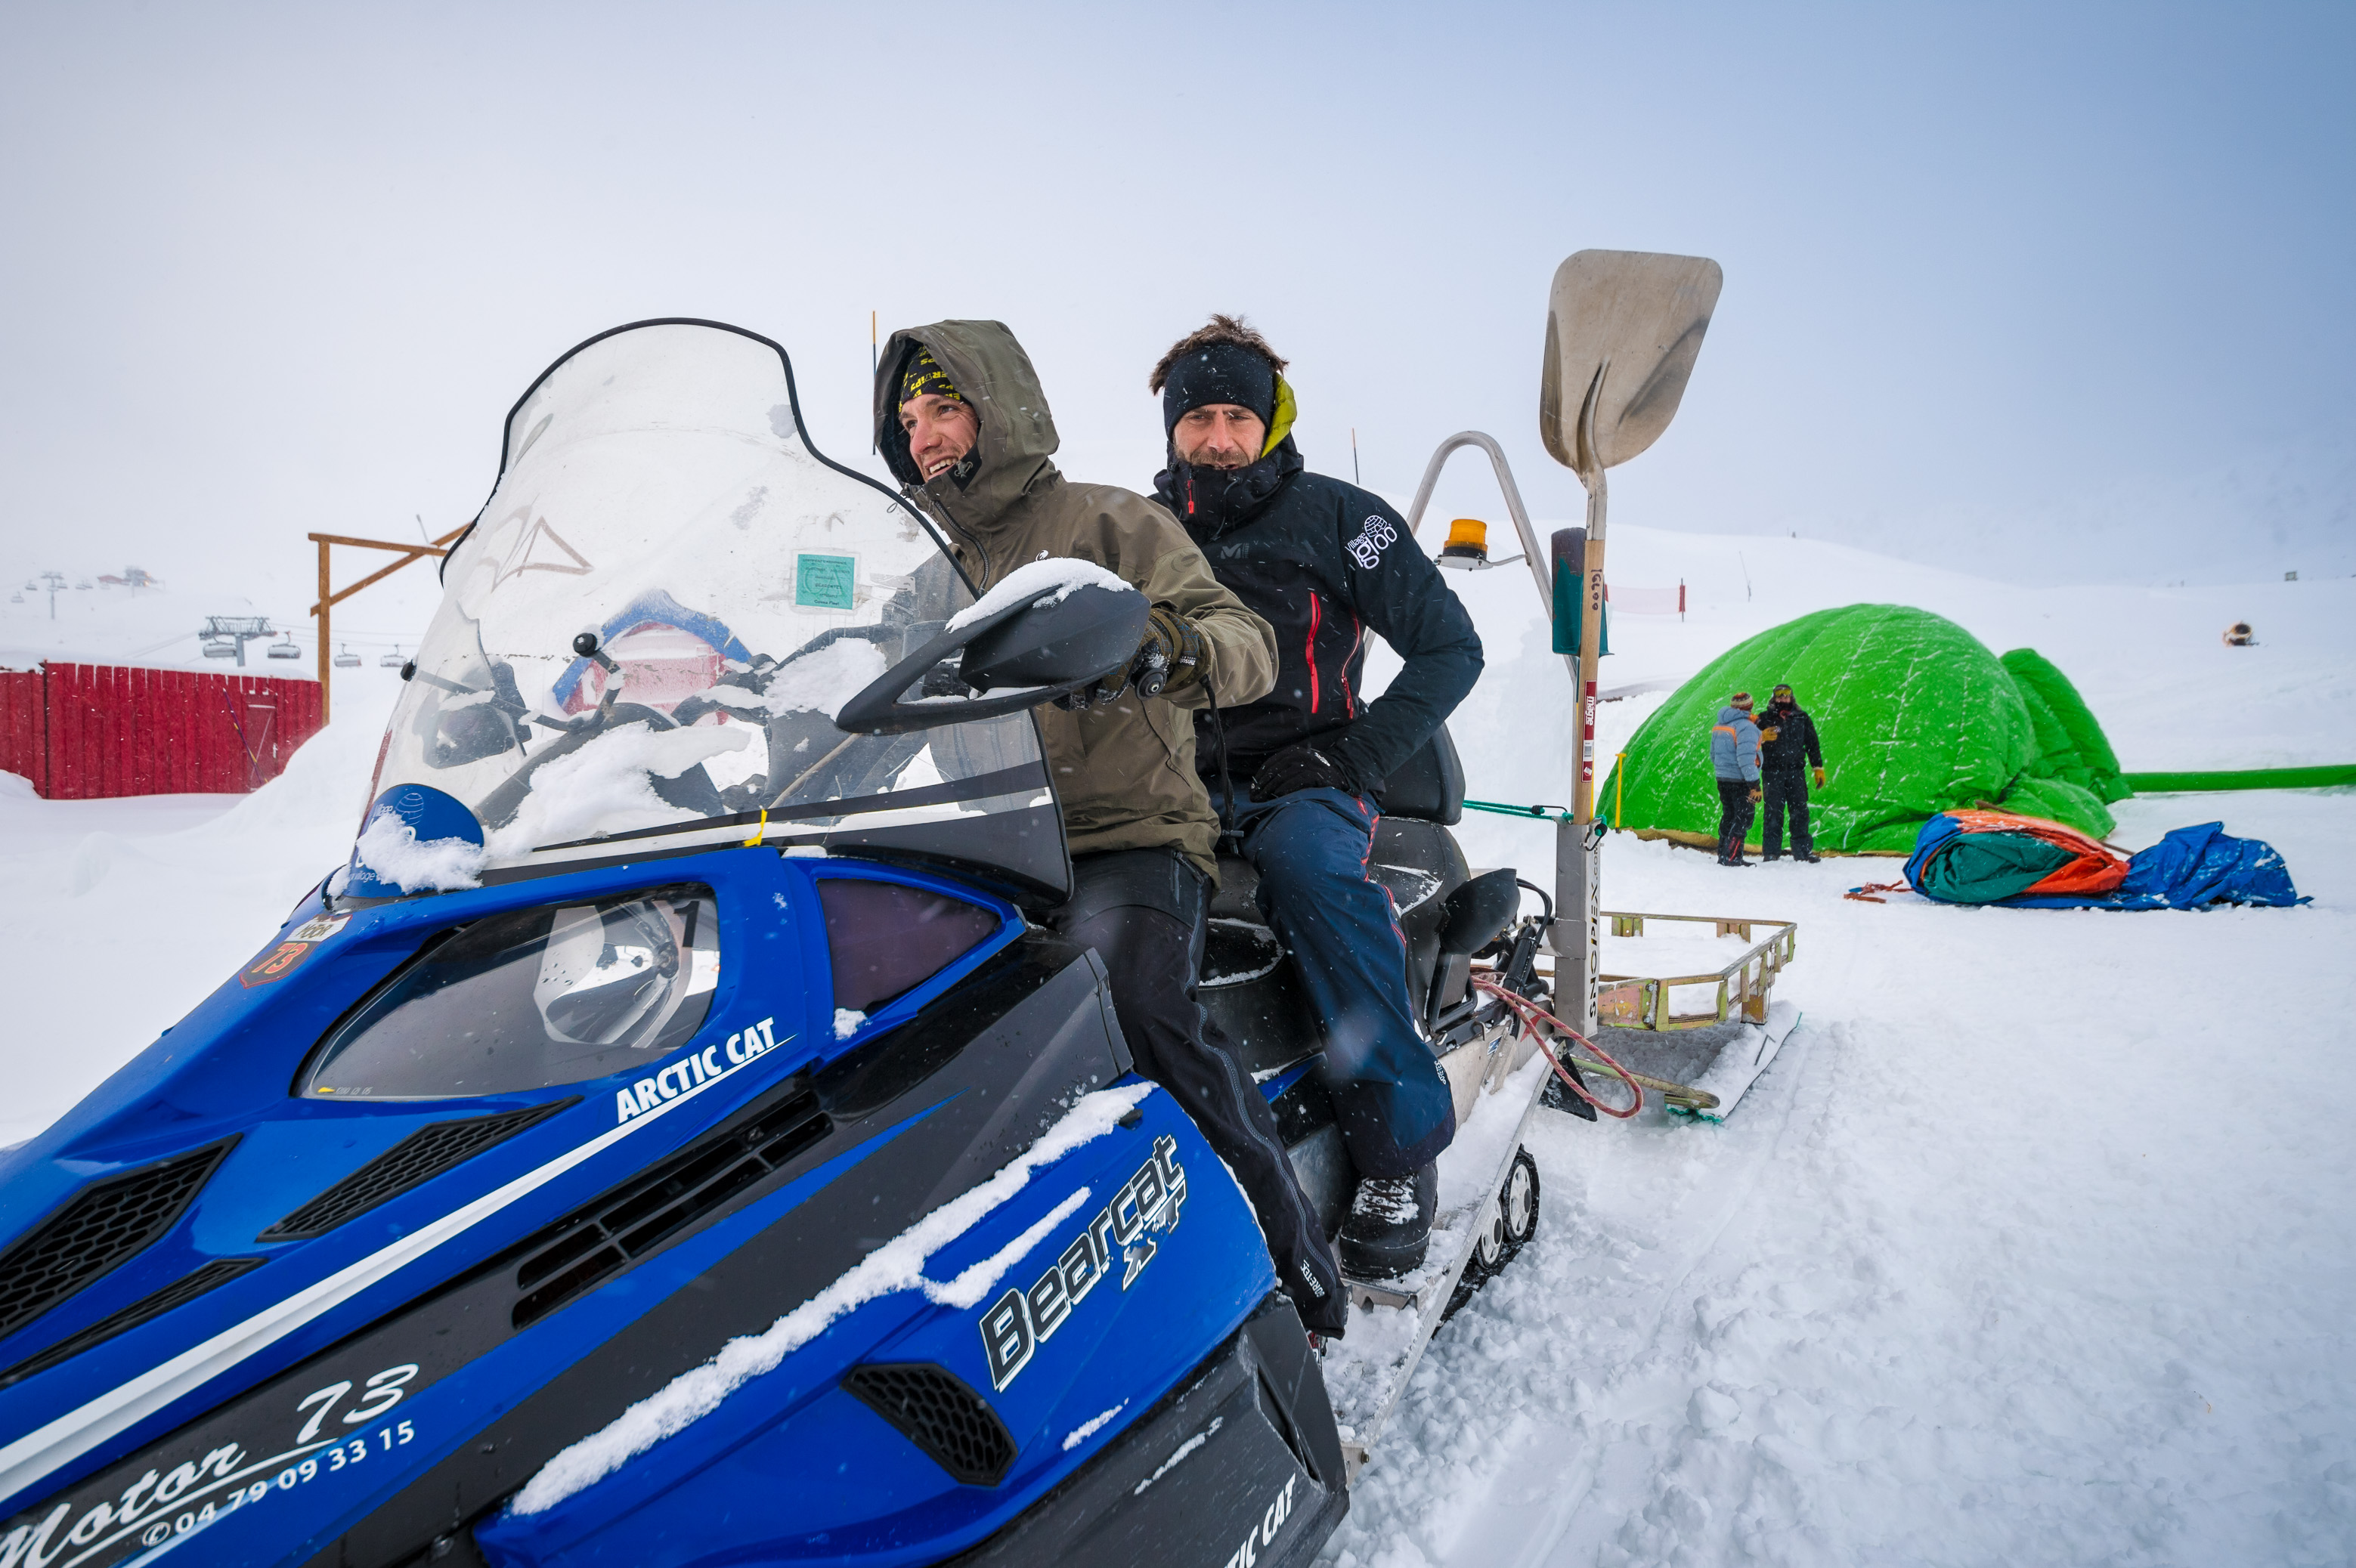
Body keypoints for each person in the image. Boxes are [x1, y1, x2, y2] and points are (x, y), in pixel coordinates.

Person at [873, 320, 1348, 1337]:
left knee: (1122, 993)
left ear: (999, 408)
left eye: (943, 405)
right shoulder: (921, 572)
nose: (924, 435)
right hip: (991, 845)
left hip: (1127, 832)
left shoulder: (1106, 520)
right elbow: (848, 692)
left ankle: (1286, 1249)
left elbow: (1246, 644)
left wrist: (1160, 644)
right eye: (908, 418)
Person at [1146, 314, 1477, 1279]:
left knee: (1309, 873)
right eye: (1197, 417)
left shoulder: (1342, 517)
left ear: (1270, 421)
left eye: (1235, 416)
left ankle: (1395, 1152)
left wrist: (1355, 757)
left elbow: (1451, 647)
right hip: (1171, 782)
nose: (1216, 436)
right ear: (1172, 430)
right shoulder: (1140, 528)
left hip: (1309, 777)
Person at [1757, 682, 1827, 862]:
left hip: (1796, 772)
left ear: (1791, 696)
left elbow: (1812, 744)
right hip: (1772, 773)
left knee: (1800, 811)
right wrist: (1761, 738)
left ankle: (1802, 851)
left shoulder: (1801, 717)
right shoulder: (1764, 718)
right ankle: (1771, 852)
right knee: (1773, 813)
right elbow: (1749, 744)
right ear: (1774, 698)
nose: (1783, 698)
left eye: (1786, 694)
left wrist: (1817, 767)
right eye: (1779, 695)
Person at [1710, 691, 1762, 867]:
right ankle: (1733, 857)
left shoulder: (1719, 725)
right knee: (1743, 818)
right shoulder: (1747, 727)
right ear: (1749, 706)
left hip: (1722, 778)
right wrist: (1755, 785)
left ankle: (1723, 854)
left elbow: (1713, 755)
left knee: (1729, 815)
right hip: (1741, 781)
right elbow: (1746, 759)